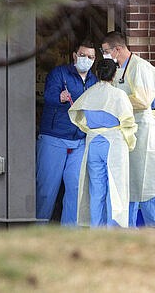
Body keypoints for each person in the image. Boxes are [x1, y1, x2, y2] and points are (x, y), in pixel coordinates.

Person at [101, 31, 155, 228]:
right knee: (129, 187)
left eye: (106, 51)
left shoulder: (140, 67)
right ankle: (126, 234)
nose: (104, 55)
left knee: (146, 187)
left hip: (142, 135)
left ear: (117, 49)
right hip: (127, 134)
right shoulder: (119, 69)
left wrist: (117, 102)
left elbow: (143, 99)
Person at [69, 59, 137, 228]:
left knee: (96, 189)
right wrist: (130, 142)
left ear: (97, 73)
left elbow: (79, 117)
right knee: (115, 189)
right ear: (114, 75)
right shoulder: (118, 95)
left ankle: (96, 229)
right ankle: (112, 230)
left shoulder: (89, 94)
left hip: (93, 143)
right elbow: (128, 122)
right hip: (114, 143)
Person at [36, 40, 97, 226]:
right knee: (46, 189)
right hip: (53, 138)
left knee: (75, 188)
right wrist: (59, 97)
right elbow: (48, 96)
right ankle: (38, 229)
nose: (86, 59)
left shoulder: (94, 80)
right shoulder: (59, 73)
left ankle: (69, 232)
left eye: (91, 57)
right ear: (74, 56)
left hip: (79, 140)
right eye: (83, 55)